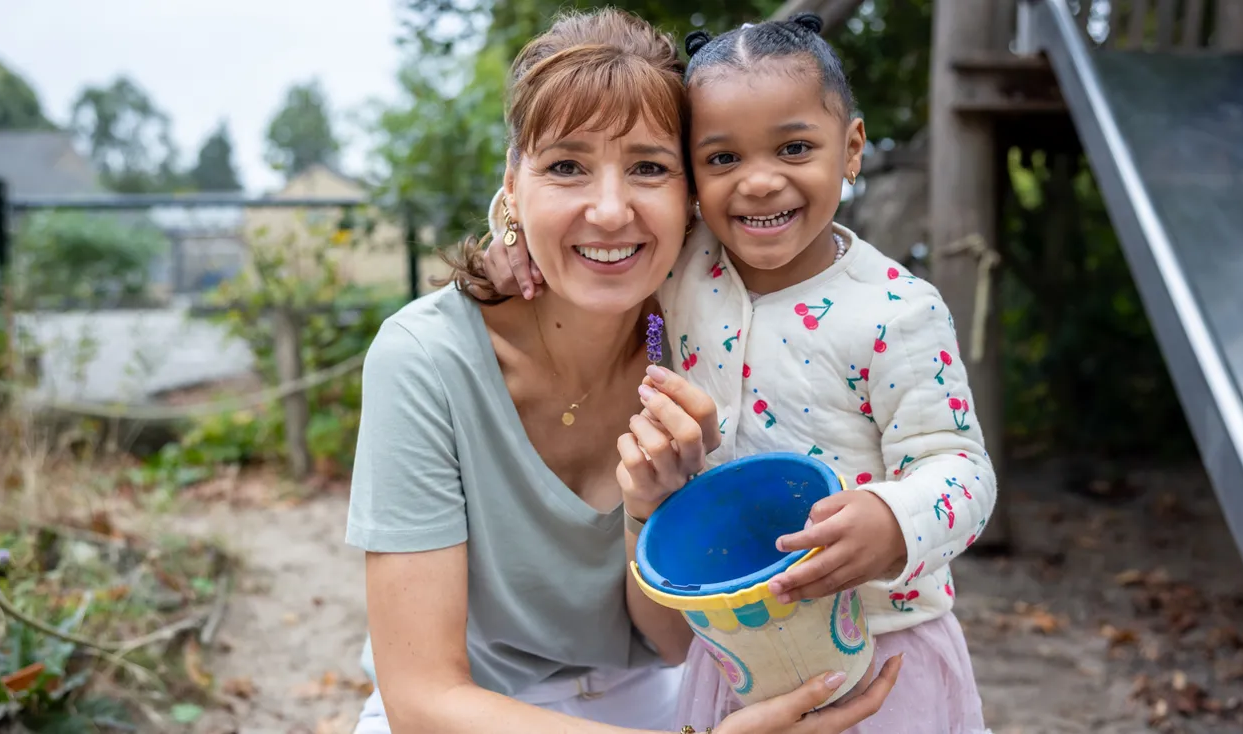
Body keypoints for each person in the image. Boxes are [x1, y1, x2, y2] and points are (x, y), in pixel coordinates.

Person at [346, 8, 902, 734]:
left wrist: (650, 509)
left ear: (691, 196)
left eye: (648, 167)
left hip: (657, 702)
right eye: (567, 166)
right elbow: (423, 700)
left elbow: (668, 638)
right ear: (513, 186)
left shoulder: (701, 347)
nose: (610, 211)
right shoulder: (425, 359)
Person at [480, 13, 993, 734]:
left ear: (850, 149)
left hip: (881, 650)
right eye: (722, 160)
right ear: (691, 177)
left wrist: (895, 519)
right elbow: (581, 218)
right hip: (728, 652)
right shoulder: (684, 265)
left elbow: (963, 468)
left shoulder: (896, 311)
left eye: (793, 147)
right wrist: (506, 239)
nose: (758, 182)